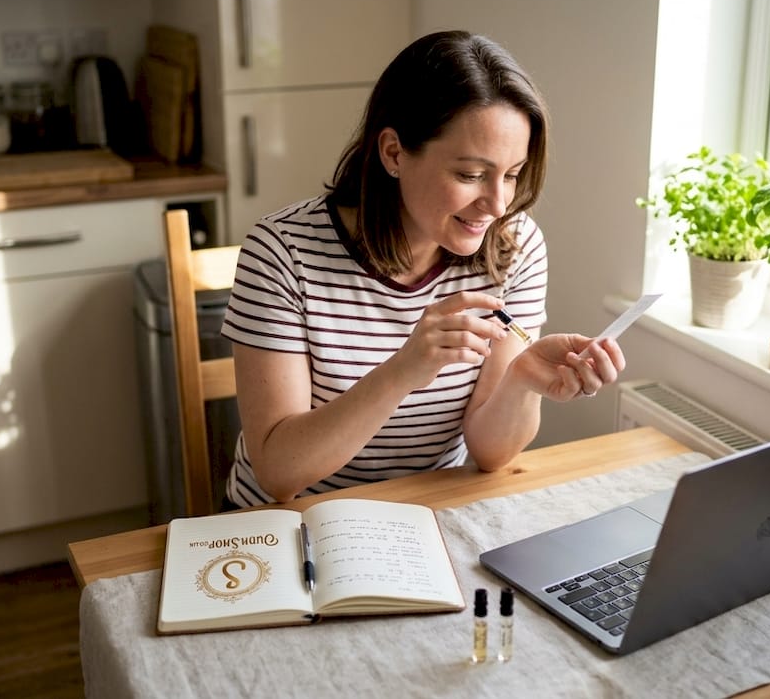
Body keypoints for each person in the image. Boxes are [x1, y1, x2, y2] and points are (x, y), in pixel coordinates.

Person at [220, 30, 625, 508]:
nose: (498, 204)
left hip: (425, 517)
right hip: (297, 521)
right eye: (471, 175)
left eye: (512, 175)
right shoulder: (282, 252)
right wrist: (405, 370)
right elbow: (278, 473)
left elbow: (491, 455)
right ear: (394, 152)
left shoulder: (515, 247)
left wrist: (522, 380)